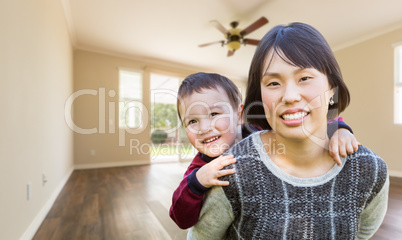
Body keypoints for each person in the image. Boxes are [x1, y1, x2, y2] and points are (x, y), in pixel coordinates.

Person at [187, 23, 389, 239]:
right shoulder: (232, 170)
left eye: (304, 78)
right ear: (261, 97)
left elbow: (362, 233)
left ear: (332, 87)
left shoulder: (370, 170)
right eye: (273, 83)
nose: (290, 96)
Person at [170, 72, 358, 229]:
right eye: (192, 121)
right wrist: (196, 182)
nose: (203, 128)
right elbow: (181, 219)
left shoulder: (260, 130)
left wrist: (340, 130)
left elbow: (307, 125)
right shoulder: (199, 168)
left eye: (214, 114)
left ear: (240, 115)